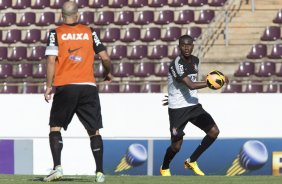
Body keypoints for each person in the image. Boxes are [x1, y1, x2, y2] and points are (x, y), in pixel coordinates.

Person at [43, 1, 111, 182]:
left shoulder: (55, 33)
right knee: (94, 130)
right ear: (78, 15)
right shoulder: (90, 32)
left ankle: (57, 167)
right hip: (88, 86)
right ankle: (99, 172)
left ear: (61, 15)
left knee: (55, 126)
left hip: (66, 86)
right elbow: (105, 57)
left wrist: (49, 86)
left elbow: (51, 60)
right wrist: (107, 72)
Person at [160, 35, 228, 176]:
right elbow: (190, 85)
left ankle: (191, 161)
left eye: (189, 45)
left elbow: (188, 83)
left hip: (193, 105)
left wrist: (218, 78)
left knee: (214, 131)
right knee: (176, 146)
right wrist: (213, 82)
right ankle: (165, 167)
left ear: (193, 46)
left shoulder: (195, 61)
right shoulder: (176, 64)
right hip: (178, 109)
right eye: (183, 45)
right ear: (179, 46)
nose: (186, 47)